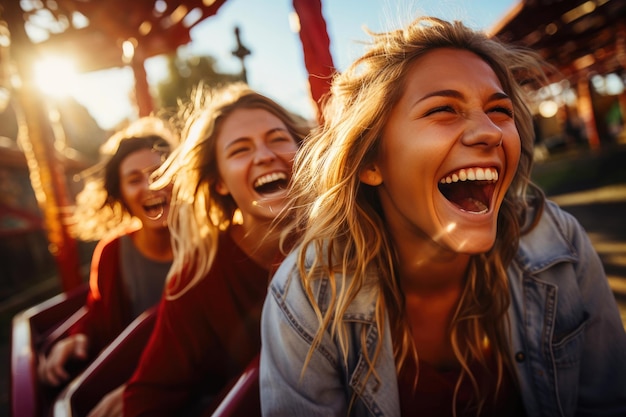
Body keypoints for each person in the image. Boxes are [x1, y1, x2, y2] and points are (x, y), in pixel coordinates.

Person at [259, 16, 626, 417]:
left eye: (499, 110)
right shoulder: (308, 294)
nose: (489, 132)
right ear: (370, 162)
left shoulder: (558, 241)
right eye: (444, 110)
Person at [123, 82, 311, 416]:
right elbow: (147, 397)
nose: (265, 156)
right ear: (220, 181)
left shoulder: (352, 237)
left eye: (278, 139)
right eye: (240, 150)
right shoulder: (198, 275)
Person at [36, 117, 178, 415]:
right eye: (134, 179)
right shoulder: (113, 252)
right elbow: (99, 312)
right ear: (120, 194)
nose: (151, 186)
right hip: (127, 383)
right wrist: (78, 337)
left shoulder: (211, 245)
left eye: (160, 172)